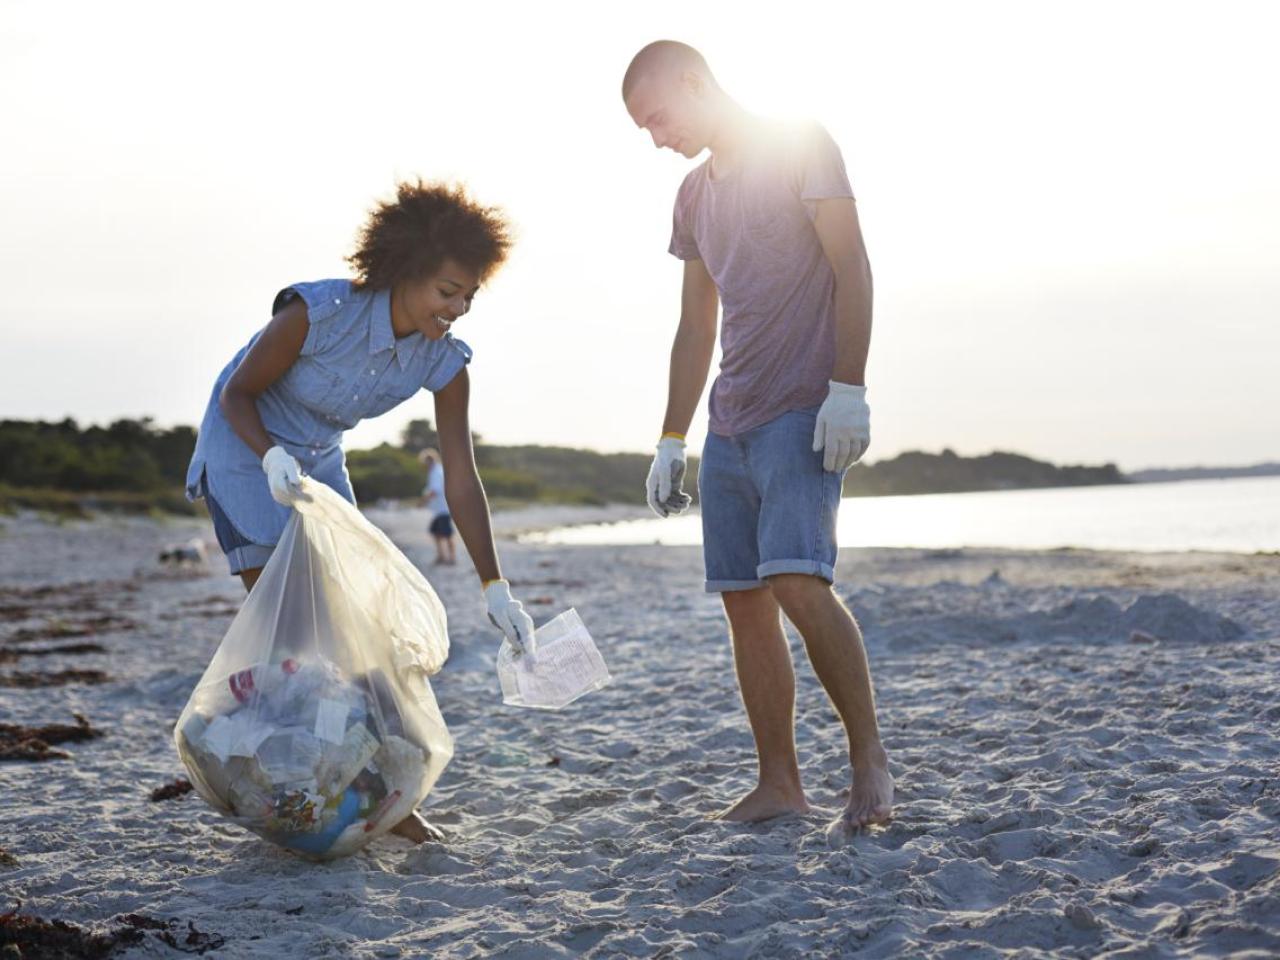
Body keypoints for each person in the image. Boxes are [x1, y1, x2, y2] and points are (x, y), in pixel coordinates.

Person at [185, 179, 537, 843]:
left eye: (470, 295)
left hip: (317, 458)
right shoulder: (318, 313)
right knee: (295, 637)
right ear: (406, 272)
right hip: (243, 444)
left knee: (357, 629)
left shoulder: (444, 360)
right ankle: (277, 778)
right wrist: (268, 458)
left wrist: (497, 587)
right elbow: (238, 394)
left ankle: (382, 799)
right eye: (447, 291)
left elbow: (461, 475)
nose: (458, 307)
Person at [622, 41, 893, 840]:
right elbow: (695, 323)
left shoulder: (802, 145)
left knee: (801, 585)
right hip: (729, 425)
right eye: (642, 127)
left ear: (695, 83)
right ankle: (780, 783)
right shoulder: (692, 197)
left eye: (658, 116)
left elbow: (853, 266)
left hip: (801, 412)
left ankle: (869, 758)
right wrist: (672, 438)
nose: (655, 136)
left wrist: (850, 389)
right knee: (745, 604)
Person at [418, 448, 456, 565]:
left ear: (429, 461)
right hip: (439, 510)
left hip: (443, 509)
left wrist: (422, 501)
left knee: (447, 534)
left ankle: (452, 558)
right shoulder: (436, 471)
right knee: (436, 532)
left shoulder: (436, 472)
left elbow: (434, 491)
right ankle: (442, 556)